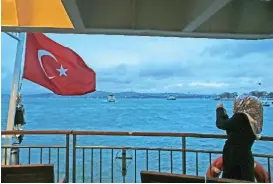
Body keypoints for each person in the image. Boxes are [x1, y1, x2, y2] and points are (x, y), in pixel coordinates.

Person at [216, 95, 263, 181]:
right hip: (245, 156)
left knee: (230, 179)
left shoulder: (241, 117)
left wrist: (219, 109)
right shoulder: (252, 120)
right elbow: (230, 125)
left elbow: (222, 124)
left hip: (234, 157)